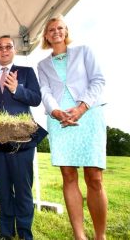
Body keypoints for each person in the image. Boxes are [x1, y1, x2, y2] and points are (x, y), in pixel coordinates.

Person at [37, 15, 107, 240]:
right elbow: (45, 92)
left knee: (94, 177)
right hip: (59, 120)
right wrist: (57, 112)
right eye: (51, 29)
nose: (56, 32)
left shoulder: (84, 51)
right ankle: (80, 236)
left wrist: (81, 107)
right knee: (68, 176)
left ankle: (100, 236)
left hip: (88, 115)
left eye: (60, 28)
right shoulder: (42, 65)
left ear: (66, 31)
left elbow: (98, 80)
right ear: (46, 36)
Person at [0, 35, 47, 240]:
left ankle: (25, 233)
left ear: (14, 50)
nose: (4, 50)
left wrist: (17, 89)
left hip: (22, 140)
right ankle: (5, 232)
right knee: (3, 188)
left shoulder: (26, 72)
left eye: (8, 47)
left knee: (23, 188)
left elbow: (35, 99)